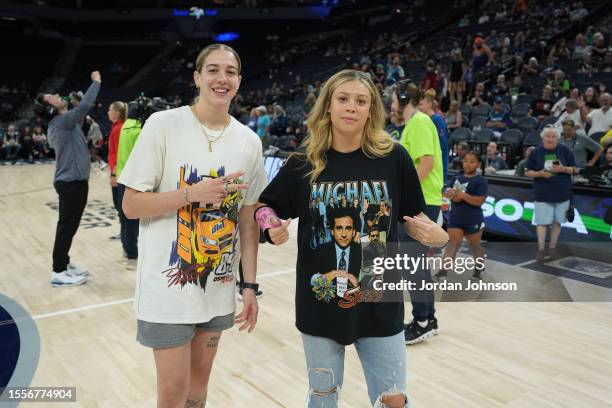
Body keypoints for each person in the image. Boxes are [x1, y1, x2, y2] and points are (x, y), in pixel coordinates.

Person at [256, 69, 448, 408]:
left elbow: (419, 220)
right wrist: (271, 224)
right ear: (328, 105)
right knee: (324, 397)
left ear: (371, 109)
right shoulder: (305, 161)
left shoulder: (394, 157)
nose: (351, 107)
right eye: (343, 99)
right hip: (320, 302)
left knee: (393, 399)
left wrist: (440, 236)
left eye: (361, 101)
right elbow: (265, 206)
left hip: (380, 300)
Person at [119, 44, 267, 408]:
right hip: (167, 291)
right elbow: (131, 204)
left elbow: (248, 222)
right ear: (197, 77)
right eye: (213, 70)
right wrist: (190, 194)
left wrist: (249, 286)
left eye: (230, 72)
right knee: (172, 395)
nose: (222, 78)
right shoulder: (164, 125)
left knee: (198, 392)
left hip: (217, 288)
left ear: (239, 81)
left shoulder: (249, 142)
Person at [34, 71, 101, 287]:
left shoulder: (63, 123)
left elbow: (80, 111)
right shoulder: (61, 122)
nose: (56, 94)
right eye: (51, 97)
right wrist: (96, 82)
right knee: (66, 227)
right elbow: (84, 107)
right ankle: (58, 271)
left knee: (69, 227)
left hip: (73, 182)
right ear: (50, 108)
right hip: (72, 183)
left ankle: (64, 262)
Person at [393, 80, 444, 344]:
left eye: (393, 99)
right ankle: (427, 319)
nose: (391, 105)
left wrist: (404, 196)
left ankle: (422, 321)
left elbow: (426, 163)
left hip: (421, 203)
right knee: (415, 264)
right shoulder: (413, 124)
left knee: (413, 265)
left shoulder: (421, 122)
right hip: (419, 201)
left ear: (403, 99)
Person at [524, 126, 577, 262]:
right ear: (543, 138)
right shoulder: (535, 152)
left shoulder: (565, 151)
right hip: (542, 192)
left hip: (562, 192)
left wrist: (563, 169)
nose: (550, 139)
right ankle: (541, 249)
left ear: (558, 138)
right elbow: (527, 172)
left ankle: (552, 249)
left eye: (553, 136)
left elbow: (575, 170)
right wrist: (539, 173)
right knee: (542, 222)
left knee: (557, 221)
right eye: (548, 136)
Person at [436, 151, 487, 280]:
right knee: (452, 245)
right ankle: (442, 272)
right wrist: (449, 192)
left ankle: (479, 268)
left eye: (472, 161)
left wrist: (463, 195)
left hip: (473, 219)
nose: (468, 164)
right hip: (456, 218)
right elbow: (445, 190)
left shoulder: (481, 180)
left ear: (478, 164)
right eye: (465, 161)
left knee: (475, 247)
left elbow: (480, 201)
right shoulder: (457, 176)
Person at [115, 104, 140, 269]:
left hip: (121, 177)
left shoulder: (126, 125)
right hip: (133, 179)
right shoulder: (139, 130)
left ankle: (126, 250)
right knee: (133, 220)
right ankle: (132, 256)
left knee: (125, 219)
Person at [420, 88, 449, 183]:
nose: (419, 108)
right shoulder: (423, 120)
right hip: (428, 167)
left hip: (438, 167)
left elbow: (442, 146)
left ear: (429, 103)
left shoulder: (437, 120)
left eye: (421, 104)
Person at [107, 101, 127, 240]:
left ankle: (125, 233)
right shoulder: (118, 127)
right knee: (119, 204)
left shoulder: (118, 129)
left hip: (118, 172)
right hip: (118, 170)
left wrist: (114, 173)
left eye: (110, 109)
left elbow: (117, 153)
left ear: (116, 112)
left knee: (119, 204)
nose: (108, 112)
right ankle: (124, 232)